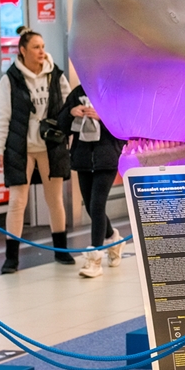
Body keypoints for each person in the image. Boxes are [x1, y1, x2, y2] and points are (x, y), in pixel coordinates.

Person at [0, 27, 73, 273]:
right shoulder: (9, 80)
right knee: (17, 201)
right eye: (36, 47)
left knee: (54, 199)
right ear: (23, 50)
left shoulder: (55, 75)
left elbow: (68, 107)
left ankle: (61, 251)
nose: (41, 51)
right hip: (21, 148)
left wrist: (69, 134)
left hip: (51, 146)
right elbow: (2, 117)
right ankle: (11, 258)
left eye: (43, 47)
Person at [57, 84, 125, 278]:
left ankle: (95, 257)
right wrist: (71, 113)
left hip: (107, 158)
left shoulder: (113, 91)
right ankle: (113, 238)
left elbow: (124, 124)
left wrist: (104, 117)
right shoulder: (78, 92)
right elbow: (61, 124)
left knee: (97, 205)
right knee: (90, 206)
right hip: (83, 159)